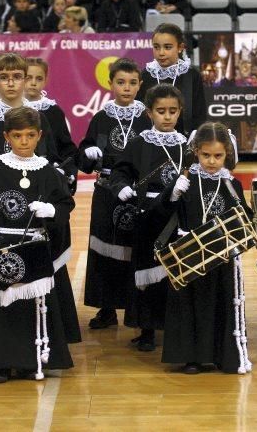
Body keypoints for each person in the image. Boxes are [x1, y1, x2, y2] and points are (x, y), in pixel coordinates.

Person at [0, 107, 75, 383]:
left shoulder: (48, 172)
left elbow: (66, 203)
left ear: (39, 136)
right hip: (2, 249)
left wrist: (52, 211)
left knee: (33, 307)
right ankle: (0, 362)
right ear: (7, 136)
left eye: (30, 135)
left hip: (35, 251)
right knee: (0, 309)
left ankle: (31, 360)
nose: (24, 141)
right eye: (17, 136)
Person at [161, 122, 252, 374]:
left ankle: (221, 355)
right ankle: (192, 357)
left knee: (218, 306)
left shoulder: (230, 183)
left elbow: (244, 217)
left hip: (220, 256)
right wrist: (173, 194)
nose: (212, 161)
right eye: (206, 155)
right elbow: (164, 213)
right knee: (191, 307)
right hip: (189, 254)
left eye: (218, 156)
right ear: (196, 152)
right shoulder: (186, 179)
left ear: (227, 155)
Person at [109, 84, 187, 352]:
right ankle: (146, 329)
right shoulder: (139, 144)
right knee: (147, 272)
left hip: (178, 218)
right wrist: (121, 187)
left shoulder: (187, 145)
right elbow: (119, 173)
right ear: (150, 113)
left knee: (175, 272)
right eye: (161, 111)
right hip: (148, 217)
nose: (167, 117)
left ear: (180, 112)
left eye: (172, 111)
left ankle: (175, 325)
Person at [78, 58, 151, 330]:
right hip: (107, 193)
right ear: (111, 84)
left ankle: (138, 310)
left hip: (138, 192)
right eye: (121, 82)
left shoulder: (147, 117)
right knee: (105, 251)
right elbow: (84, 159)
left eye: (132, 83)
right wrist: (87, 154)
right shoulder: (101, 118)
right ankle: (106, 308)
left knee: (136, 250)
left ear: (140, 85)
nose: (127, 88)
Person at [136, 24, 206, 135]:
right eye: (156, 47)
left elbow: (199, 113)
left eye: (167, 47)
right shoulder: (145, 75)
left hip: (184, 139)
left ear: (180, 48)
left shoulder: (191, 75)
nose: (161, 53)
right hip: (150, 140)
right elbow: (138, 112)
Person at [24, 57, 78, 193]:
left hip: (46, 177)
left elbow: (66, 148)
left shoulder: (53, 111)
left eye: (39, 79)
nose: (33, 83)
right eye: (28, 77)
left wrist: (68, 171)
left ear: (46, 80)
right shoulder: (10, 108)